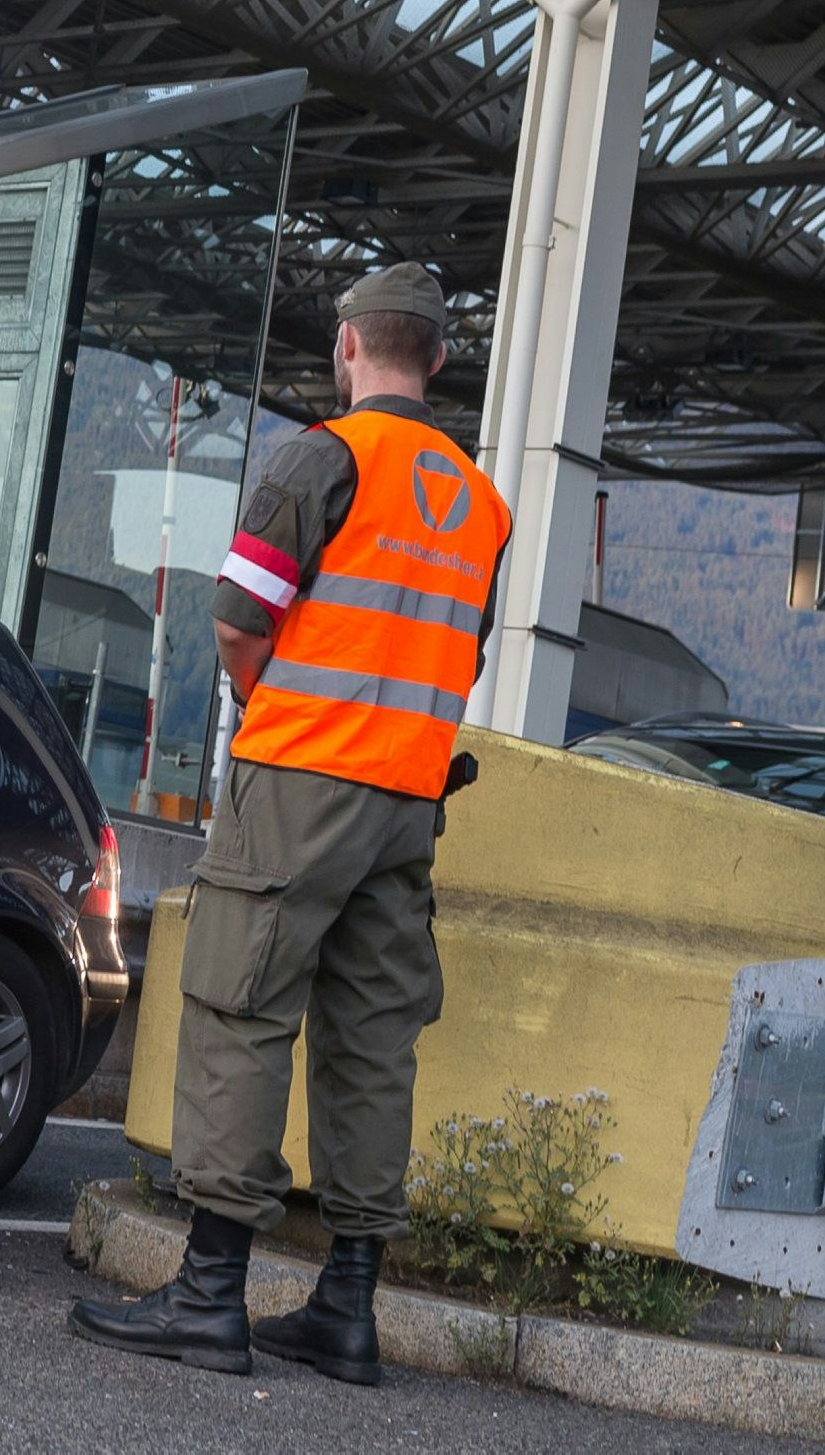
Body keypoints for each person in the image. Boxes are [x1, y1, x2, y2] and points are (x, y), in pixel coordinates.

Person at [66, 262, 508, 1386]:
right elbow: (462, 654)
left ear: (347, 346)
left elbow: (235, 619)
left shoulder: (322, 456)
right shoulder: (481, 505)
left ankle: (210, 1296)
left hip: (300, 776)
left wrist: (274, 711)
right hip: (408, 804)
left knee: (238, 1009)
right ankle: (344, 1307)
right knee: (372, 1040)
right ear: (441, 361)